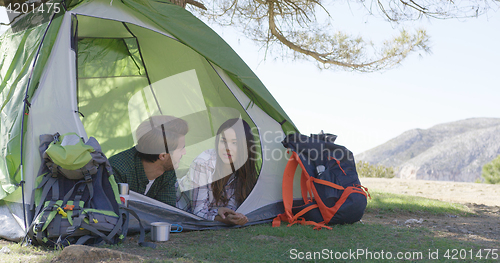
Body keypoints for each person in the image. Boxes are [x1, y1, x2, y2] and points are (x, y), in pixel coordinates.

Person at [177, 118, 258, 225]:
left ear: (245, 146)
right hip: (180, 211)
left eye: (234, 143)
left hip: (209, 211)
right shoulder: (203, 163)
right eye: (223, 141)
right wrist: (223, 218)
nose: (227, 148)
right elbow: (198, 212)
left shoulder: (243, 170)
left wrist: (229, 215)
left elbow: (229, 208)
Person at [109, 115, 188, 206]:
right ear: (163, 156)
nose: (184, 153)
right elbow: (113, 214)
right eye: (182, 148)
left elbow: (167, 212)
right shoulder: (117, 170)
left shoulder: (168, 170)